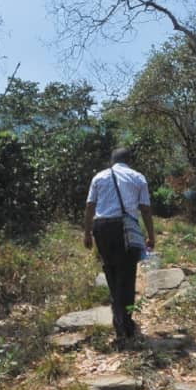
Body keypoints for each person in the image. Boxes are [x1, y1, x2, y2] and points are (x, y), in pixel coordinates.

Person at [83, 147, 156, 345]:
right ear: (129, 160)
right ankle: (126, 325)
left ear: (112, 160)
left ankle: (119, 323)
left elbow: (90, 206)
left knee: (111, 272)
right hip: (125, 229)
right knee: (127, 275)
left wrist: (87, 233)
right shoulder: (138, 178)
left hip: (102, 228)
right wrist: (151, 236)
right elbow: (145, 209)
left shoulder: (99, 177)